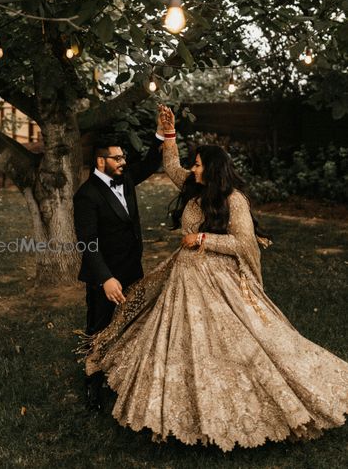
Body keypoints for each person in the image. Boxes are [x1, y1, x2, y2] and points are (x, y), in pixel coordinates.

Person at [75, 105, 348, 451]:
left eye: (199, 164)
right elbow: (171, 166)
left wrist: (202, 239)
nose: (193, 168)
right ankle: (100, 375)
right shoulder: (193, 186)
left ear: (212, 169)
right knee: (160, 328)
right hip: (181, 277)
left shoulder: (234, 201)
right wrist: (168, 135)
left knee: (224, 340)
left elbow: (244, 242)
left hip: (216, 281)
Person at [74, 110, 165, 411]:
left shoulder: (124, 179)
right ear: (101, 162)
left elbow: (152, 163)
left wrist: (161, 134)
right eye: (117, 158)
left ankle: (123, 374)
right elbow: (87, 242)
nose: (124, 162)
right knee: (99, 328)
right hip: (106, 276)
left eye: (124, 157)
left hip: (132, 268)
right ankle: (92, 383)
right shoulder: (87, 195)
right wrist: (105, 279)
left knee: (130, 323)